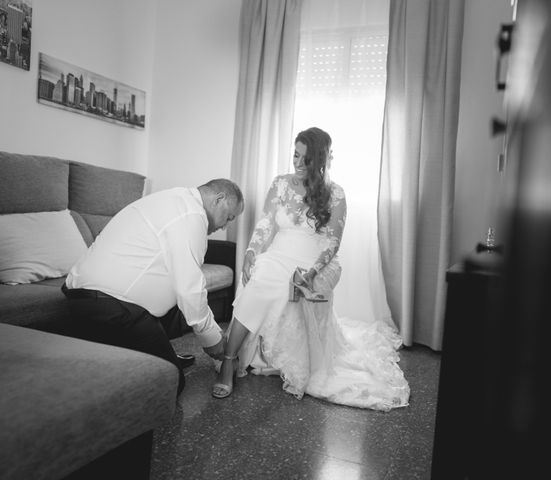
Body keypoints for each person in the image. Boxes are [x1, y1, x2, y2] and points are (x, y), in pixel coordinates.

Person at [212, 127, 410, 411]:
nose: (298, 163)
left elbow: (332, 242)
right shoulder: (280, 184)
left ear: (321, 161)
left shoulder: (336, 194)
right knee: (260, 280)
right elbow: (267, 223)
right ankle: (229, 361)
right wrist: (251, 251)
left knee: (285, 286)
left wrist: (313, 272)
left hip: (309, 260)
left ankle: (269, 357)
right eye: (295, 155)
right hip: (278, 253)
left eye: (306, 158)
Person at [62, 178, 244, 397]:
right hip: (111, 308)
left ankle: (152, 354)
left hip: (81, 297)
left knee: (174, 306)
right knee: (170, 384)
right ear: (219, 199)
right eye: (229, 217)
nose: (225, 225)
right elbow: (189, 288)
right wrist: (212, 340)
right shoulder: (191, 216)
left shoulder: (174, 198)